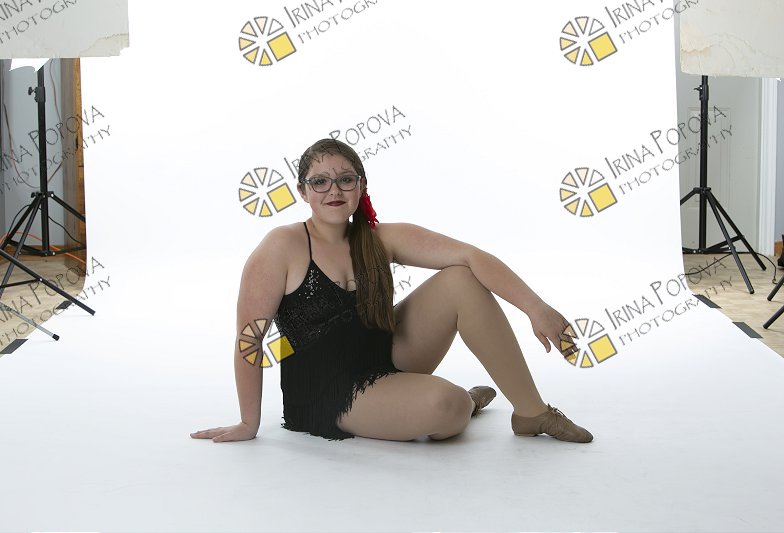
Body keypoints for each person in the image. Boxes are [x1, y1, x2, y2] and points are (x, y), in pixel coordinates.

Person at [191, 139, 593, 444]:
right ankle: (466, 402)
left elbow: (471, 256)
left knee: (461, 278)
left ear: (361, 185)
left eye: (346, 179)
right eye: (320, 181)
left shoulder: (381, 238)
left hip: (384, 357)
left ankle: (531, 412)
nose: (334, 190)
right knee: (449, 405)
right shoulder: (282, 246)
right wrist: (248, 422)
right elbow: (249, 339)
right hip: (329, 391)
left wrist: (535, 307)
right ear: (303, 191)